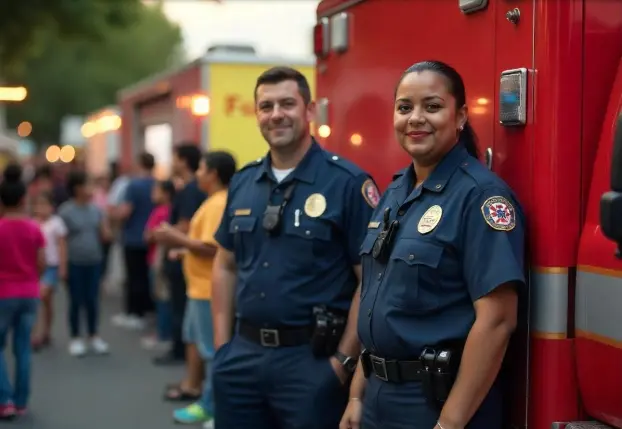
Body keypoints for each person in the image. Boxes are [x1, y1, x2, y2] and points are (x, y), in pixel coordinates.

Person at [338, 60, 525, 429]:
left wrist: (450, 423)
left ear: (460, 117)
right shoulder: (394, 192)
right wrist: (358, 394)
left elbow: (498, 320)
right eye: (405, 107)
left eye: (433, 107)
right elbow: (374, 296)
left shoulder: (481, 197)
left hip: (435, 402)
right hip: (378, 398)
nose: (416, 118)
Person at [211, 66, 379, 429]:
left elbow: (371, 282)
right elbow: (225, 265)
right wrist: (222, 348)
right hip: (241, 360)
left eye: (287, 103)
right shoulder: (243, 183)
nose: (276, 115)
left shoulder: (348, 184)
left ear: (309, 110)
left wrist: (342, 362)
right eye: (266, 106)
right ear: (256, 114)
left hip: (312, 364)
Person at [155, 150, 236, 427]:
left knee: (214, 352)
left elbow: (213, 249)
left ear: (213, 174)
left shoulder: (217, 204)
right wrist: (183, 249)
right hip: (199, 287)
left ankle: (213, 408)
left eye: (201, 169)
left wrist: (174, 237)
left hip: (207, 289)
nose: (198, 174)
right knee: (200, 344)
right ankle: (205, 400)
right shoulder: (216, 201)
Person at [154, 143, 205, 368]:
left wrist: (166, 233)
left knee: (180, 307)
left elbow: (185, 225)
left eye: (174, 158)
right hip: (186, 254)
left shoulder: (190, 190)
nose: (172, 162)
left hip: (183, 256)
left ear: (184, 161)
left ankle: (180, 352)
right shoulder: (191, 189)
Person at [0, 165, 45, 420]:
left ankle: (3, 399)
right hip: (29, 292)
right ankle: (21, 400)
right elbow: (41, 261)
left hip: (3, 293)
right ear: (23, 199)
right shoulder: (33, 228)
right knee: (23, 348)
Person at [59, 171, 112, 357]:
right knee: (75, 300)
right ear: (77, 188)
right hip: (75, 261)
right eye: (87, 185)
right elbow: (62, 240)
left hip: (94, 260)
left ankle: (93, 335)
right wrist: (63, 266)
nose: (91, 190)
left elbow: (106, 235)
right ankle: (75, 337)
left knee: (92, 300)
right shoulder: (66, 211)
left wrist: (107, 221)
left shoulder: (96, 210)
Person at [114, 152, 156, 330]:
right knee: (145, 276)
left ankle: (134, 313)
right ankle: (147, 309)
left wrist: (112, 216)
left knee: (133, 276)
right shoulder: (157, 184)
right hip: (151, 236)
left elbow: (125, 211)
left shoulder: (133, 185)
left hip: (133, 237)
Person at [142, 180, 176, 350]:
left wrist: (151, 235)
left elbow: (150, 235)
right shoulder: (170, 210)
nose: (153, 193)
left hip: (158, 259)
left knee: (161, 296)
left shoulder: (161, 212)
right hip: (161, 258)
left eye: (157, 190)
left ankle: (163, 333)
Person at [31, 192, 67, 350]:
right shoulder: (32, 223)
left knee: (44, 297)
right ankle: (37, 334)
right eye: (38, 205)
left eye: (44, 205)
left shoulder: (56, 223)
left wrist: (63, 266)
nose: (41, 208)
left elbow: (61, 245)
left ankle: (44, 332)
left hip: (51, 265)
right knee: (40, 300)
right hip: (34, 266)